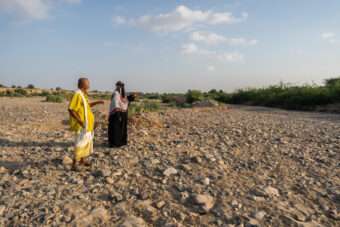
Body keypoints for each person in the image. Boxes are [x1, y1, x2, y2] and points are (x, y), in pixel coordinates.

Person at [68, 78, 104, 170]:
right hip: (82, 125)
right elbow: (71, 109)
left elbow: (87, 106)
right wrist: (79, 121)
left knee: (86, 142)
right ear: (83, 84)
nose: (89, 85)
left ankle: (82, 161)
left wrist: (97, 102)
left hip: (87, 125)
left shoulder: (83, 94)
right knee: (80, 143)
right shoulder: (77, 94)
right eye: (88, 83)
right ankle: (74, 164)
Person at [108, 81, 131, 147]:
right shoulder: (116, 94)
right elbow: (115, 105)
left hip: (123, 114)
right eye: (119, 85)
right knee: (115, 129)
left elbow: (125, 102)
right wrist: (118, 115)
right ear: (117, 86)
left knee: (122, 128)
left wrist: (131, 97)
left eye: (122, 86)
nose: (121, 87)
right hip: (116, 114)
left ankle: (121, 142)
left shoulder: (123, 94)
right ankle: (114, 143)